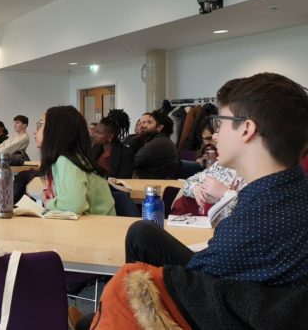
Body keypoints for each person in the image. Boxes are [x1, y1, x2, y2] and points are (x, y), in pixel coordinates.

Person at [89, 72, 308, 329]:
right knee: (143, 233)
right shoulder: (287, 190)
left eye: (220, 123)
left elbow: (197, 278)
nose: (214, 136)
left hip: (226, 308)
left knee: (126, 283)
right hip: (246, 295)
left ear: (247, 129)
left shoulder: (259, 219)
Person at [37, 106, 115, 215]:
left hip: (99, 226)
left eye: (40, 124)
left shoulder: (66, 161)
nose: (36, 131)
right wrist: (49, 193)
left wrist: (48, 203)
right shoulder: (64, 158)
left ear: (56, 129)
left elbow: (74, 205)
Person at [132, 110, 180, 179]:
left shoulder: (157, 144)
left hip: (150, 186)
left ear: (159, 127)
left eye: (149, 123)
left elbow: (132, 163)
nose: (144, 125)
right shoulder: (163, 141)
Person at [91, 109, 134, 179]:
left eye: (99, 133)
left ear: (110, 136)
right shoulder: (94, 149)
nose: (94, 135)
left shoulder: (126, 153)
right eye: (95, 131)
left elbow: (124, 180)